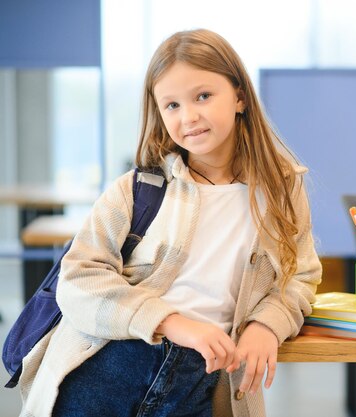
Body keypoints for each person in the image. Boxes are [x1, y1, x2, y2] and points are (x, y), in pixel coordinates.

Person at [18, 29, 322, 417]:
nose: (189, 116)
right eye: (172, 105)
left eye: (203, 96)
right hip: (106, 368)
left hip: (203, 380)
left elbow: (301, 278)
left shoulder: (281, 189)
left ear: (240, 97)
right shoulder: (136, 189)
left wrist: (267, 326)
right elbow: (77, 281)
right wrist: (171, 322)